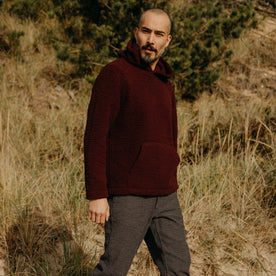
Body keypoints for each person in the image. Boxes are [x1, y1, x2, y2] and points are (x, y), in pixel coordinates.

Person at [84, 8, 191, 276]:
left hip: (166, 195)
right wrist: (97, 193)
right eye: (146, 31)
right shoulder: (115, 74)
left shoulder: (165, 82)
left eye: (159, 34)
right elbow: (95, 136)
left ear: (168, 40)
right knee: (113, 270)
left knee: (178, 268)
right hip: (128, 195)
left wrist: (170, 172)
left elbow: (170, 138)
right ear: (136, 33)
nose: (151, 40)